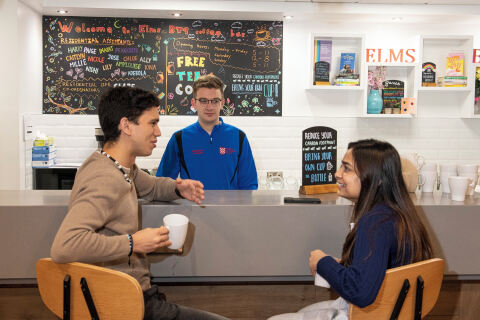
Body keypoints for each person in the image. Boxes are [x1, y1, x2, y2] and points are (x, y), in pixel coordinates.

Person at [51, 87, 229, 320]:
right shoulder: (104, 178)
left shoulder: (121, 167)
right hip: (124, 304)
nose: (158, 131)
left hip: (133, 295)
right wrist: (133, 243)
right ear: (126, 126)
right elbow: (65, 245)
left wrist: (178, 187)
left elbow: (151, 186)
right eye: (152, 123)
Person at [269, 139, 433, 320]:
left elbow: (361, 292)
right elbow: (376, 273)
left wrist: (322, 262)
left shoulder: (374, 223)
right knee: (302, 314)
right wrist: (339, 268)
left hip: (370, 314)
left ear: (375, 178)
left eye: (346, 168)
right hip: (392, 311)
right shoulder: (399, 215)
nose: (337, 174)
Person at [156, 75, 258, 190]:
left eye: (215, 101)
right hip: (191, 208)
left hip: (229, 208)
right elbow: (163, 184)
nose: (209, 107)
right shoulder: (179, 139)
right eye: (203, 101)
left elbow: (249, 186)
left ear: (222, 103)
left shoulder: (239, 138)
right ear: (194, 103)